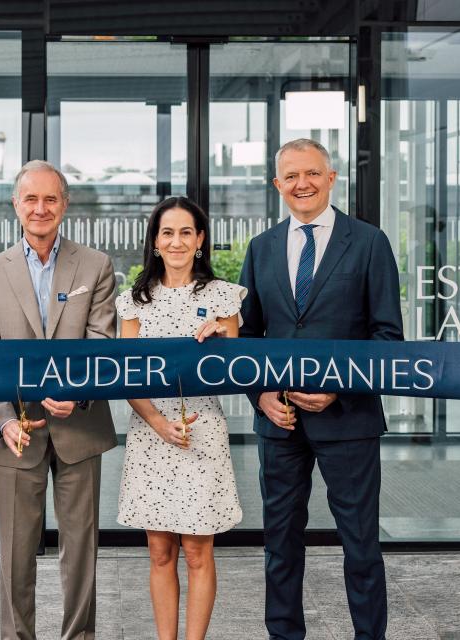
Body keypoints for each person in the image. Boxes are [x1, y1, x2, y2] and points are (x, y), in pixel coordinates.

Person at [239, 139, 403, 640]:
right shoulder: (262, 247)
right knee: (280, 544)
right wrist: (261, 396)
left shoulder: (369, 242)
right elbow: (246, 337)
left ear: (332, 178)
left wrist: (339, 389)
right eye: (290, 177)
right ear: (277, 186)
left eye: (311, 173)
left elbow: (386, 338)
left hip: (348, 420)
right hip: (280, 422)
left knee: (360, 544)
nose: (302, 184)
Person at [0, 160, 117, 640]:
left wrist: (76, 394)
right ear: (15, 204)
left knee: (81, 552)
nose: (40, 208)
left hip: (80, 424)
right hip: (16, 432)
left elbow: (101, 341)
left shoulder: (95, 265)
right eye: (30, 199)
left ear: (65, 204)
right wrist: (4, 419)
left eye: (50, 199)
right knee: (14, 555)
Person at [115, 196, 244, 640]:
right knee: (159, 552)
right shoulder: (134, 300)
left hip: (202, 432)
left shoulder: (223, 297)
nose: (176, 241)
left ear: (201, 240)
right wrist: (156, 422)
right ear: (154, 241)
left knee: (197, 551)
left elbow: (235, 369)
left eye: (186, 232)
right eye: (167, 232)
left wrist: (223, 339)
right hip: (152, 432)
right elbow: (127, 376)